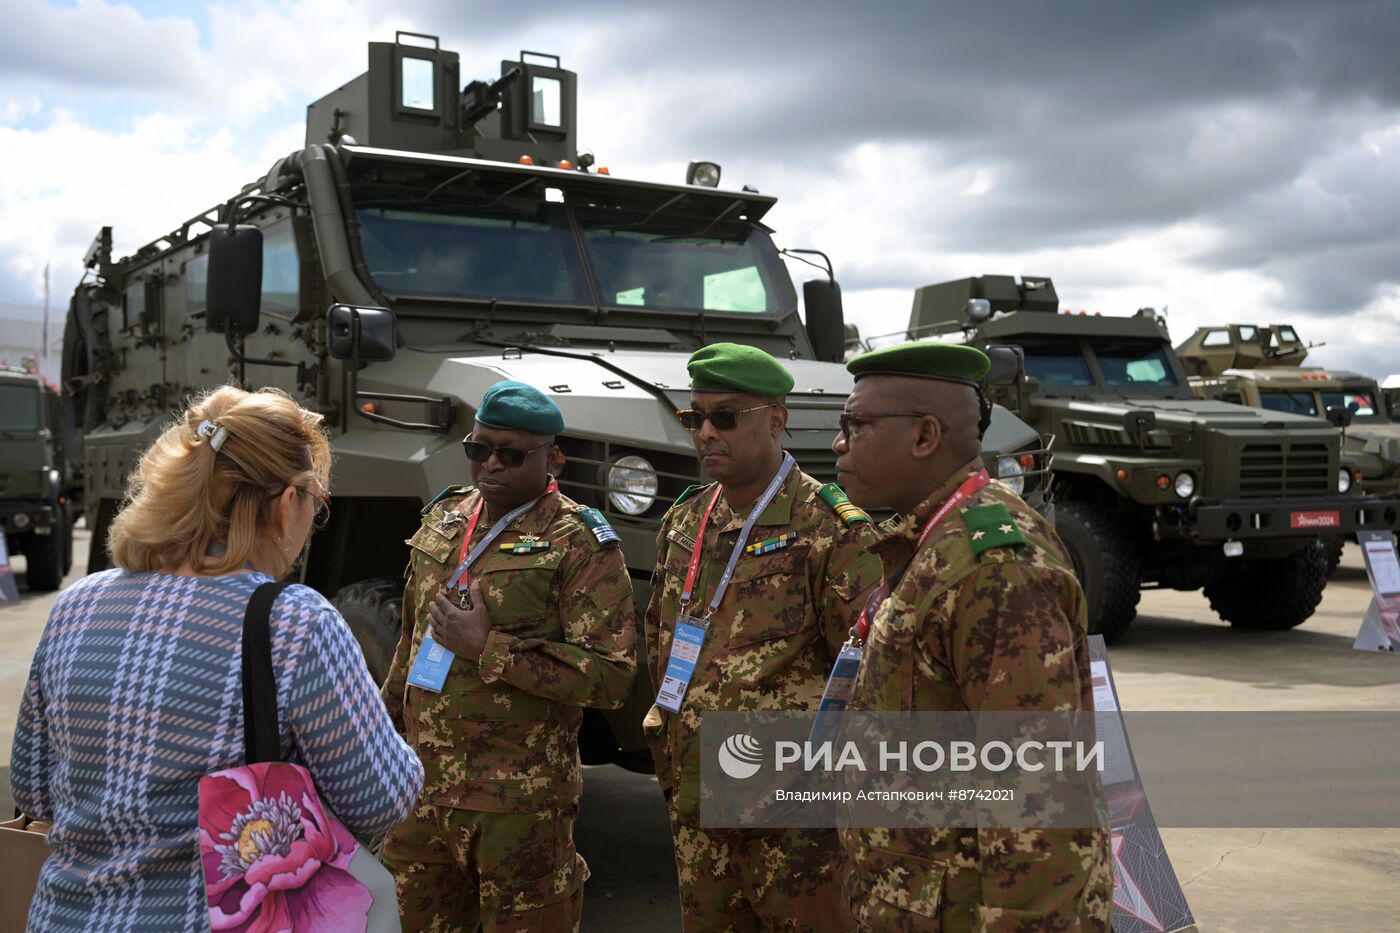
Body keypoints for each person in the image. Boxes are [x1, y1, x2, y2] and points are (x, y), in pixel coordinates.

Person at [10, 385, 423, 932]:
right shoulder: (294, 622)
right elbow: (380, 799)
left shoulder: (77, 604)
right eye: (315, 499)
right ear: (283, 503)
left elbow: (34, 788)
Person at [830, 341, 1112, 931]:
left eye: (855, 425)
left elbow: (1041, 792)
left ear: (925, 436)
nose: (839, 444)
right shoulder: (930, 542)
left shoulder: (994, 567)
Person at [379, 380, 637, 932]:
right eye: (479, 449)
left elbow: (611, 676)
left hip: (516, 804)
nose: (490, 465)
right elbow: (409, 645)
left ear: (553, 459)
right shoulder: (443, 519)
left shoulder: (580, 543)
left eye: (511, 454)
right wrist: (382, 745)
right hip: (421, 794)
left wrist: (489, 649)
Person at [642, 343, 883, 932]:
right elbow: (660, 638)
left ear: (776, 420)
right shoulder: (685, 520)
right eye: (692, 416)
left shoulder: (829, 527)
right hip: (697, 800)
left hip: (791, 823)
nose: (704, 432)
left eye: (724, 416)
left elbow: (864, 681)